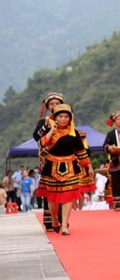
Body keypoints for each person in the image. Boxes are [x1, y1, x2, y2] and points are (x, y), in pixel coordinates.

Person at [36, 104, 90, 235]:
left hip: (70, 167)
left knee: (68, 197)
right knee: (52, 199)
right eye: (60, 116)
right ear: (55, 118)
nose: (63, 119)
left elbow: (81, 151)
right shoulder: (49, 130)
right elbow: (42, 143)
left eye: (66, 116)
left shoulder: (74, 133)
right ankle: (54, 219)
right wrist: (51, 131)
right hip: (51, 167)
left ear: (70, 118)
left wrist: (87, 166)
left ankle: (65, 225)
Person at [33, 91, 65, 231]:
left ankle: (62, 220)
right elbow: (36, 137)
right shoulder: (43, 122)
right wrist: (46, 126)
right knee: (49, 190)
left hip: (64, 160)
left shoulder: (66, 120)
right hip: (48, 161)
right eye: (51, 104)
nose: (54, 106)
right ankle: (50, 220)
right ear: (47, 106)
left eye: (57, 104)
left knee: (64, 190)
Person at [74, 130, 96, 210]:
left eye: (83, 135)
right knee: (74, 190)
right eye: (80, 135)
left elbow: (88, 158)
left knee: (81, 191)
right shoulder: (73, 145)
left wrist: (90, 168)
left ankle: (80, 208)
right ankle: (74, 207)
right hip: (74, 168)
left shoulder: (87, 147)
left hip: (84, 169)